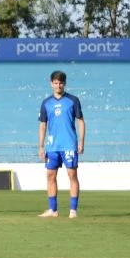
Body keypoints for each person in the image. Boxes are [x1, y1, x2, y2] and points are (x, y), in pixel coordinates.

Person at [37, 70, 86, 219]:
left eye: (61, 83)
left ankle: (73, 210)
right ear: (51, 83)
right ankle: (53, 210)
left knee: (72, 174)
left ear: (65, 83)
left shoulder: (73, 100)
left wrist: (81, 141)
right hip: (52, 146)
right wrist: (41, 146)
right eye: (56, 83)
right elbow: (43, 126)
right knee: (50, 175)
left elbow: (81, 121)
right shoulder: (46, 103)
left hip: (69, 145)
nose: (58, 85)